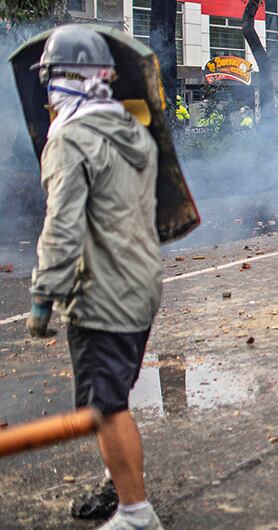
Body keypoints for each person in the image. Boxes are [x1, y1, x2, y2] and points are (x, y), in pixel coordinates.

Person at [27, 25, 165, 529]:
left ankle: (136, 511)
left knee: (107, 406)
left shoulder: (68, 138)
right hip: (142, 285)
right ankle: (119, 482)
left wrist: (45, 295)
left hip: (103, 295)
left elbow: (62, 227)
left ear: (63, 79)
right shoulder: (136, 131)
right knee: (117, 395)